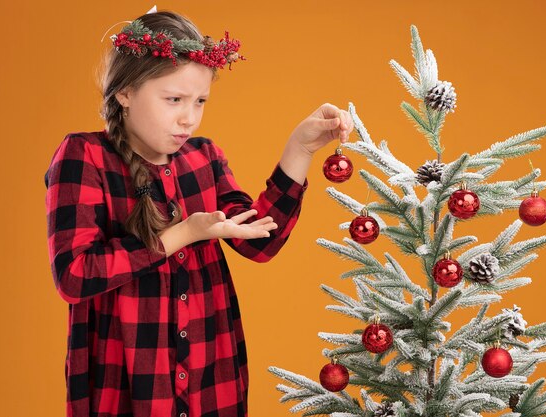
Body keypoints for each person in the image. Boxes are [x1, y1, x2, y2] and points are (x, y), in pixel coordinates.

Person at [44, 8, 353, 417]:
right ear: (125, 93)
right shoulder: (85, 156)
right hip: (127, 383)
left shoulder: (203, 157)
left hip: (213, 377)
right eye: (174, 99)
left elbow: (261, 241)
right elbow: (74, 275)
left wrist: (300, 149)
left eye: (200, 101)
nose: (188, 118)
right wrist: (182, 234)